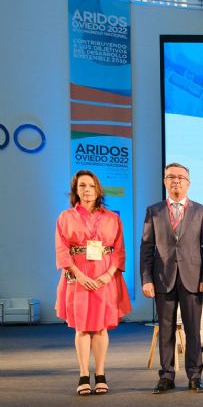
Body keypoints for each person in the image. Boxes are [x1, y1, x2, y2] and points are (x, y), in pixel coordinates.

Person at [140, 163, 203, 394]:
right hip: (162, 279)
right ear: (164, 181)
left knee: (193, 330)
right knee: (165, 330)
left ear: (188, 183)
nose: (176, 181)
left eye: (181, 177)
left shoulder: (201, 211)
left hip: (193, 279)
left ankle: (195, 376)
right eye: (170, 177)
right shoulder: (154, 211)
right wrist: (146, 279)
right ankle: (166, 376)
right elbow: (146, 247)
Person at [55, 170, 132, 396]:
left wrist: (108, 275)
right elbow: (61, 250)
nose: (86, 190)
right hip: (77, 277)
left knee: (100, 327)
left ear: (98, 189)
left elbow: (119, 251)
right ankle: (82, 374)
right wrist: (79, 274)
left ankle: (100, 374)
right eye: (82, 186)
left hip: (104, 278)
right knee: (81, 327)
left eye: (90, 186)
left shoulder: (112, 217)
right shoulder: (65, 217)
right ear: (75, 191)